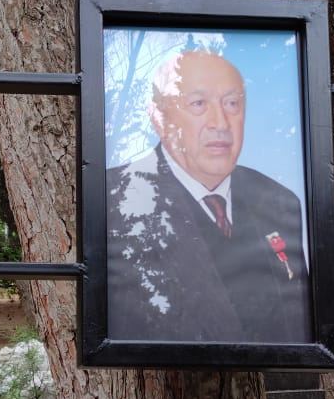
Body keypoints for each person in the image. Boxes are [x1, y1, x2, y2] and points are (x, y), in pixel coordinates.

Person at [105, 49, 310, 343]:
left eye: (232, 103)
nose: (220, 122)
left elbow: (297, 323)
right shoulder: (114, 199)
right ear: (159, 117)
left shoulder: (279, 201)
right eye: (198, 103)